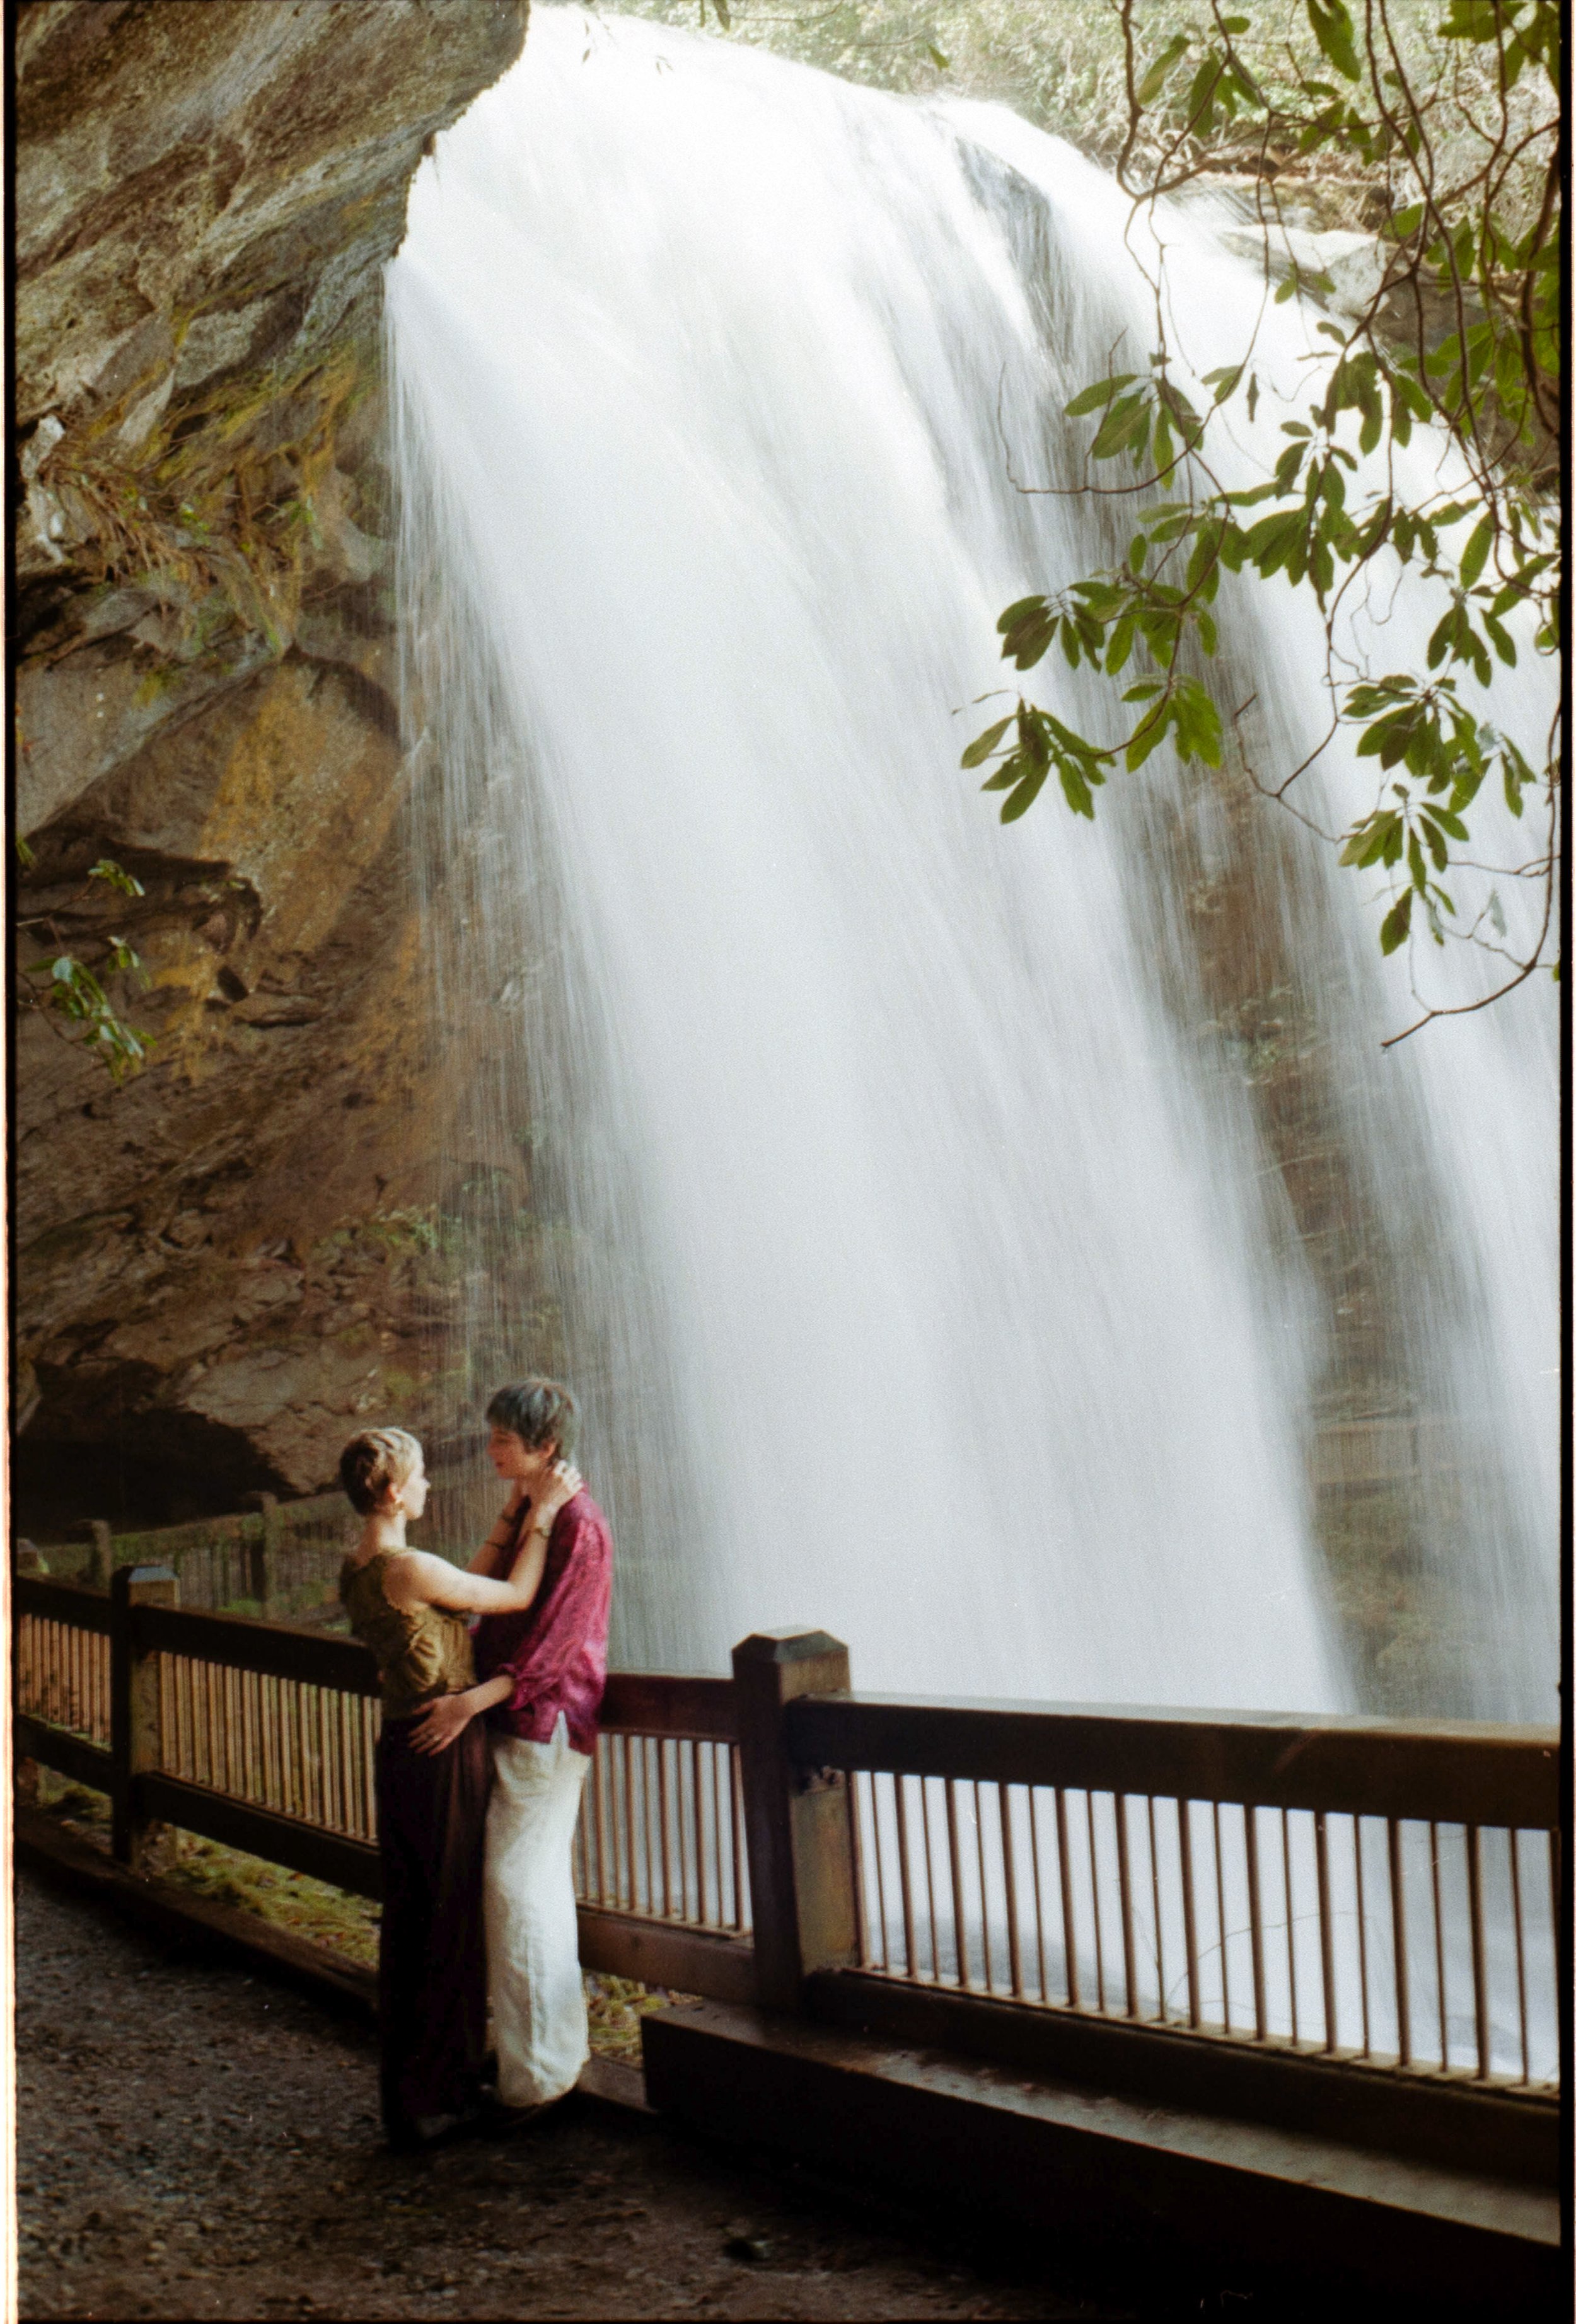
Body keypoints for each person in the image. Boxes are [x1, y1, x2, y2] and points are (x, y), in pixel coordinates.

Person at [337, 1425, 581, 2151]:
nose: (429, 1485)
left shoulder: (361, 1564)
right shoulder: (407, 1565)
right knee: (446, 1912)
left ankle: (419, 2090)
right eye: (419, 1476)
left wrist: (513, 1513)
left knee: (416, 1912)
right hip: (442, 1746)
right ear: (391, 1491)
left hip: (403, 1743)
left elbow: (458, 1586)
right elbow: (511, 1594)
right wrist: (543, 1515)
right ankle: (434, 2098)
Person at [406, 1377, 612, 2127]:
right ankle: (537, 2061)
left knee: (517, 1888)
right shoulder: (538, 1511)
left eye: (502, 1439)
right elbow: (477, 1594)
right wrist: (520, 1509)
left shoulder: (578, 1524)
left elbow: (554, 1649)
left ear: (545, 1447)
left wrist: (467, 1703)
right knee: (521, 1889)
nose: (489, 1448)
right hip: (514, 1720)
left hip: (544, 1723)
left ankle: (539, 2079)